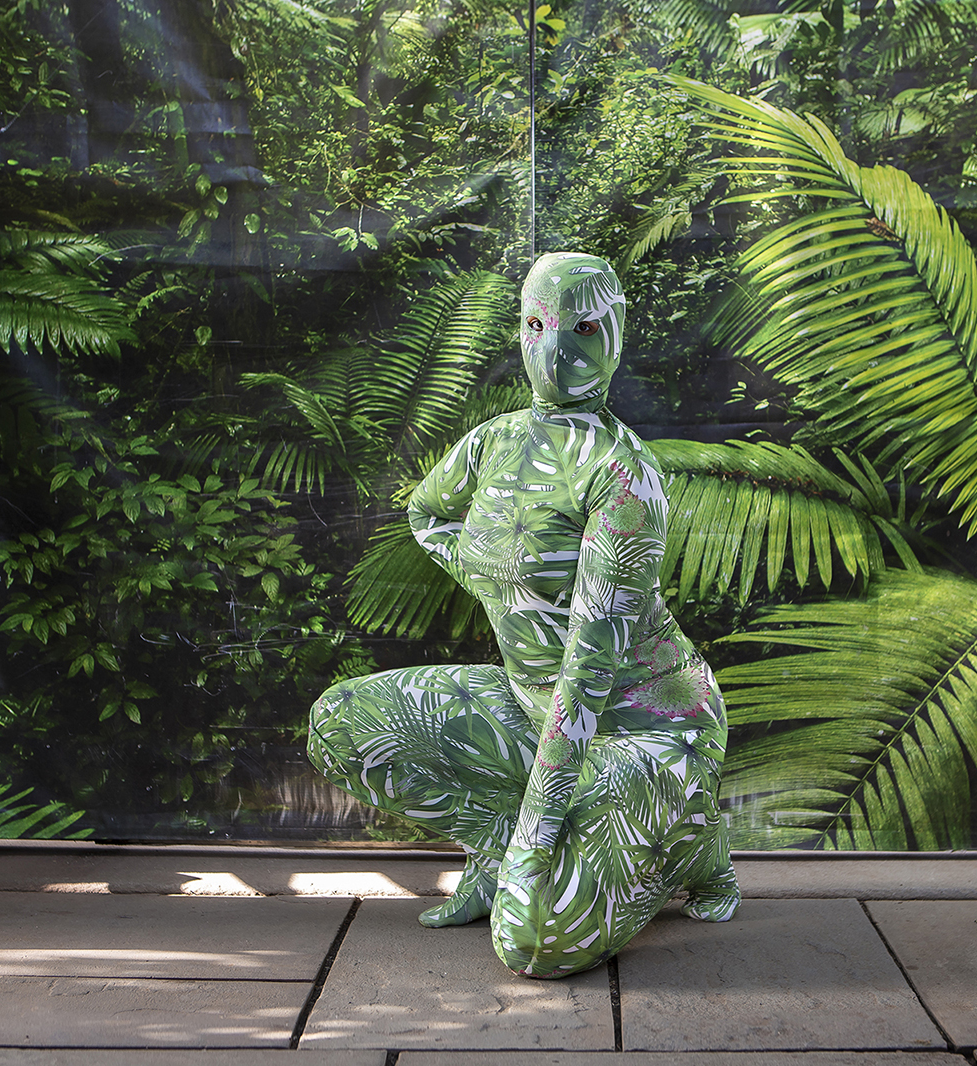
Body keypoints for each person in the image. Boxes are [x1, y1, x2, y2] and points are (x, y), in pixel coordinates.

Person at [308, 251, 737, 979]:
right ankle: (503, 842)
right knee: (340, 725)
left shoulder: (624, 473)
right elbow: (427, 514)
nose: (556, 351)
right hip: (527, 701)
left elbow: (587, 670)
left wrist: (538, 849)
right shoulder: (494, 441)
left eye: (584, 327)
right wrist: (504, 590)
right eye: (537, 325)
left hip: (640, 725)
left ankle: (690, 841)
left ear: (619, 333)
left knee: (531, 943)